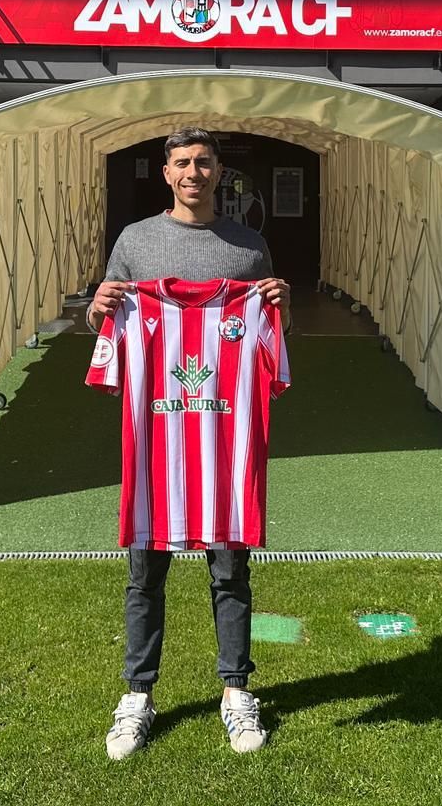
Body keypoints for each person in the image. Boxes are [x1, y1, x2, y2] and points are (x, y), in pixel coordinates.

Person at [86, 127, 291, 761]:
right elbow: (103, 331)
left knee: (230, 571)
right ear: (167, 173)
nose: (193, 172)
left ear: (219, 171)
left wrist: (282, 308)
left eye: (204, 162)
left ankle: (235, 691)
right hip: (158, 451)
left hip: (222, 450)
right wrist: (96, 308)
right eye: (182, 163)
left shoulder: (249, 248)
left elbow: (272, 349)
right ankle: (138, 694)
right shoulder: (135, 242)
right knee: (144, 574)